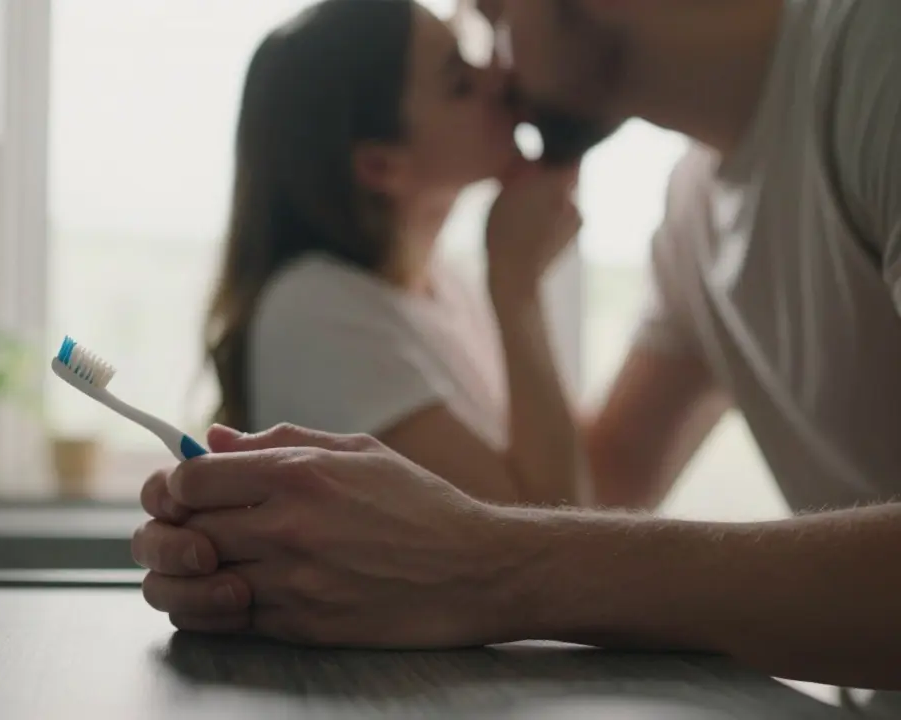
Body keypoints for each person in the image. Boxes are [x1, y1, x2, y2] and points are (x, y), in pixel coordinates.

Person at [132, 0, 901, 695]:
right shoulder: (693, 220)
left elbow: (547, 525)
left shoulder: (876, 56)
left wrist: (483, 564)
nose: (498, 70)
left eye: (494, 15)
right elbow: (589, 500)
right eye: (463, 69)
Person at [202, 0, 587, 504]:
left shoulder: (446, 290)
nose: (501, 78)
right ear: (381, 165)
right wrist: (517, 287)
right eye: (460, 83)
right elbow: (546, 546)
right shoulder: (316, 310)